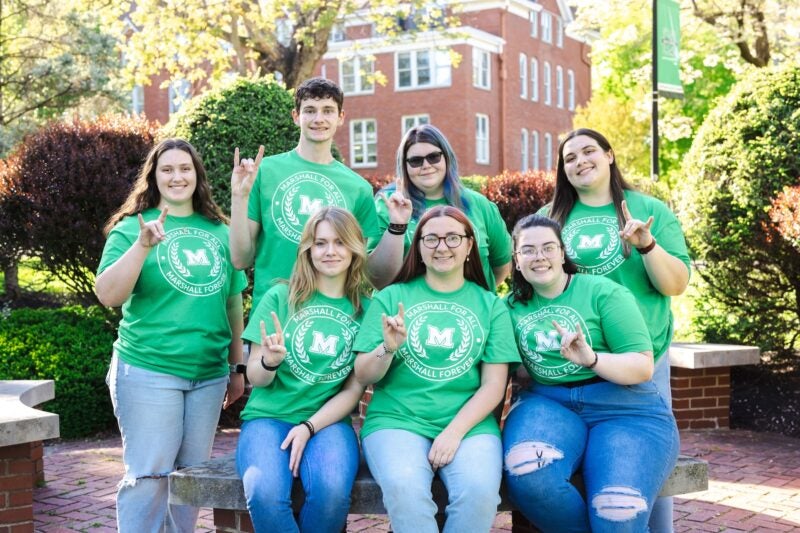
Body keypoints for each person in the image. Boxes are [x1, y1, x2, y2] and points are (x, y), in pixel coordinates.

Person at [542, 128, 690, 531]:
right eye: (569, 157)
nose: (580, 161)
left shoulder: (646, 209)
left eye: (589, 151)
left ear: (609, 155)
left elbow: (675, 284)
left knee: (647, 461)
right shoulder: (551, 218)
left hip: (640, 357)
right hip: (573, 363)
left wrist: (646, 244)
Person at [95, 138, 247, 532]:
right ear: (154, 177)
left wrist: (237, 366)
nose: (177, 176)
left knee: (189, 480)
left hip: (208, 375)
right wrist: (143, 247)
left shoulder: (220, 230)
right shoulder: (133, 228)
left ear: (197, 176)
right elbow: (109, 294)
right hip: (149, 369)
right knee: (150, 476)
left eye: (185, 168)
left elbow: (232, 304)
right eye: (167, 169)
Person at [502, 214, 680, 532]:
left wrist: (592, 358)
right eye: (528, 250)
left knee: (618, 509)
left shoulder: (604, 293)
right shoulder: (509, 308)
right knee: (527, 469)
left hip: (624, 408)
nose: (539, 256)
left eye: (548, 247)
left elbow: (642, 366)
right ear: (516, 260)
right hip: (547, 402)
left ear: (562, 253)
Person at [353, 205, 519, 533]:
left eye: (453, 238)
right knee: (406, 489)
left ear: (471, 245)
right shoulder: (391, 297)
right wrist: (388, 347)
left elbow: (493, 386)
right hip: (397, 421)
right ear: (418, 247)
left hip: (469, 426)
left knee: (479, 493)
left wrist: (454, 432)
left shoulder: (491, 306)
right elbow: (364, 374)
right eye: (431, 239)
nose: (442, 246)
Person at [236, 207, 371, 533]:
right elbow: (256, 376)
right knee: (265, 494)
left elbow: (353, 391)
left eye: (339, 242)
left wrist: (309, 427)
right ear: (307, 249)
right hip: (268, 417)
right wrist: (270, 360)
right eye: (320, 243)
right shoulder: (280, 297)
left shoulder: (365, 307)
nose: (330, 252)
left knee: (332, 493)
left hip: (327, 421)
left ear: (354, 248)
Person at [230, 77, 400, 307]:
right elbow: (241, 259)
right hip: (274, 314)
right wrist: (239, 198)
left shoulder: (358, 188)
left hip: (331, 318)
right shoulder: (265, 171)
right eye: (310, 110)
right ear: (296, 116)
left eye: (328, 111)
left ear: (341, 117)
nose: (318, 119)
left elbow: (359, 269)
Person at [369, 124, 512, 290]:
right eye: (416, 161)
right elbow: (378, 279)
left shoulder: (479, 205)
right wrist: (397, 226)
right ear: (405, 166)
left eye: (434, 157)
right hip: (408, 313)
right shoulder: (388, 205)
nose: (426, 165)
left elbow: (502, 265)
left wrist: (473, 298)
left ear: (447, 158)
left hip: (472, 313)